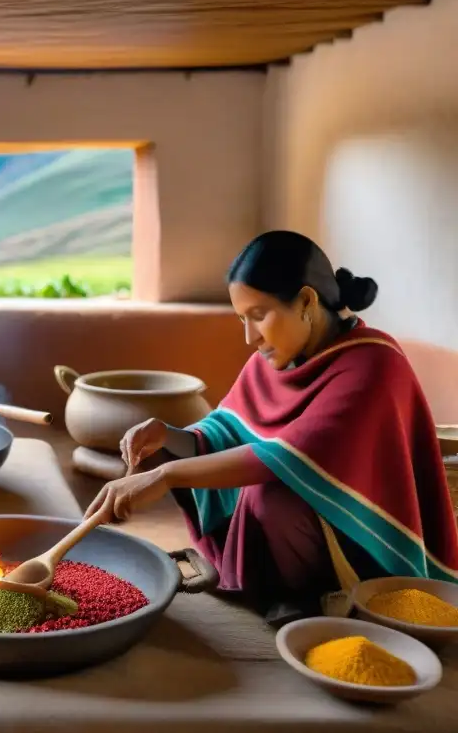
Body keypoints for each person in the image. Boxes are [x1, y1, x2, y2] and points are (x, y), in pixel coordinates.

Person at [86, 230, 458, 624]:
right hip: (303, 532)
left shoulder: (375, 365)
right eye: (242, 319)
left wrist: (166, 476)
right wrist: (169, 436)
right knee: (249, 486)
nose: (250, 338)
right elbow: (225, 434)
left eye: (259, 315)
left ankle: (317, 596)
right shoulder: (273, 361)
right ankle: (278, 587)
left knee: (270, 496)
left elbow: (287, 456)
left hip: (363, 543)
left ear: (306, 302)